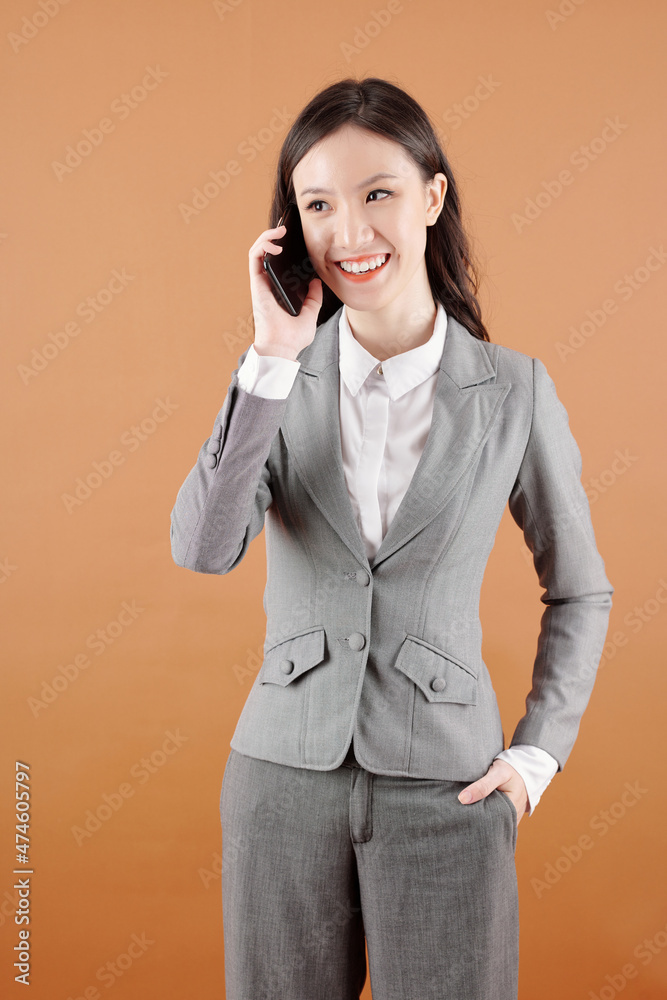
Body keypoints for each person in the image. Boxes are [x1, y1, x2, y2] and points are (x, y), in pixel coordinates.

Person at [170, 77, 613, 1000]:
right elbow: (205, 547)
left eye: (377, 194)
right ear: (291, 226)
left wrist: (533, 760)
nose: (349, 233)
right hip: (279, 785)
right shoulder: (273, 380)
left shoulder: (513, 391)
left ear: (431, 198)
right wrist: (270, 358)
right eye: (318, 204)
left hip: (448, 794)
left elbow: (580, 590)